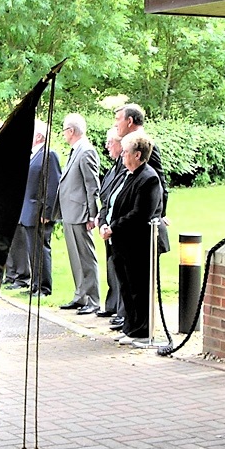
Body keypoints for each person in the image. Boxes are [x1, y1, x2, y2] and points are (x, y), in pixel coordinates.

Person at [100, 131, 163, 347]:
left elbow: (140, 213)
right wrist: (103, 223)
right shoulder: (125, 174)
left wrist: (113, 228)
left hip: (135, 242)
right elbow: (109, 201)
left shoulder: (149, 178)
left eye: (126, 151)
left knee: (137, 287)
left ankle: (141, 330)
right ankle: (130, 327)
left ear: (138, 155)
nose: (122, 155)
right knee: (125, 286)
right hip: (118, 241)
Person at [4, 120, 61, 295]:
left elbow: (52, 185)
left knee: (40, 250)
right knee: (33, 251)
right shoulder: (33, 155)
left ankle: (43, 287)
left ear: (38, 136)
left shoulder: (48, 154)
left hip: (39, 212)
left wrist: (48, 211)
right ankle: (35, 285)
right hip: (28, 212)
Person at [55, 113, 101, 315]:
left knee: (86, 257)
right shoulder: (76, 151)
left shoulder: (86, 151)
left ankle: (92, 298)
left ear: (71, 131)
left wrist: (93, 215)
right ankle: (80, 295)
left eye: (65, 130)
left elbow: (92, 186)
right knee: (76, 257)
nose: (64, 134)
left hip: (81, 213)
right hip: (71, 212)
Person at [96, 127, 126, 327]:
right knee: (111, 266)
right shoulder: (114, 167)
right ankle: (113, 305)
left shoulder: (125, 168)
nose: (107, 146)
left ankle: (121, 311)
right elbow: (106, 196)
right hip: (108, 223)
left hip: (119, 226)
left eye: (110, 142)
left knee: (120, 269)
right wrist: (101, 220)